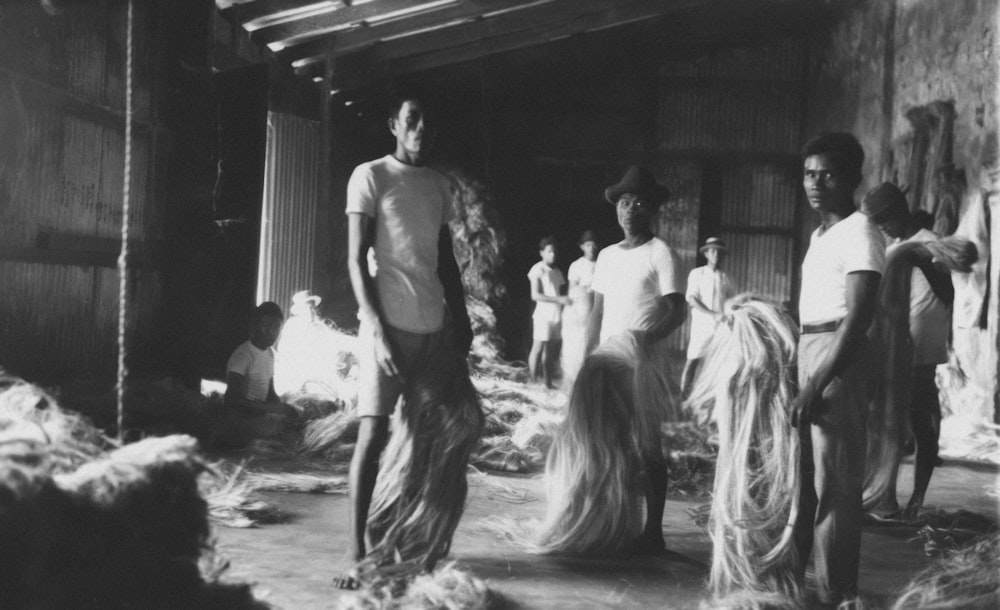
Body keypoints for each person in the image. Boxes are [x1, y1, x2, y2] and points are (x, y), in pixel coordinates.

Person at [336, 91, 472, 589]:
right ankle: (356, 552)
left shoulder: (439, 186)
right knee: (372, 439)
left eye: (427, 121)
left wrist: (460, 322)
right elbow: (355, 261)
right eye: (412, 119)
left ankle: (404, 543)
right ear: (393, 123)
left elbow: (447, 261)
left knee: (422, 443)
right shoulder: (370, 175)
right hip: (386, 328)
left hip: (433, 330)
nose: (420, 128)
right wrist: (375, 330)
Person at [539, 165, 684, 554]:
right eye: (623, 202)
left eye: (638, 202)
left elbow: (677, 310)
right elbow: (597, 314)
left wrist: (646, 338)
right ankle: (609, 524)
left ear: (650, 209)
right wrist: (585, 361)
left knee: (648, 446)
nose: (630, 209)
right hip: (606, 360)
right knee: (606, 443)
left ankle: (653, 532)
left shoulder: (661, 253)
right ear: (616, 209)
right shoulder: (605, 256)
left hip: (642, 363)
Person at [792, 133, 885, 608]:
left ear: (851, 178)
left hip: (839, 354)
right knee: (806, 476)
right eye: (810, 173)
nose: (816, 183)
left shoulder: (861, 232)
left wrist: (817, 382)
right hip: (812, 343)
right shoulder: (821, 234)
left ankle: (836, 593)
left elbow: (858, 317)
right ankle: (799, 579)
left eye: (827, 174)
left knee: (836, 482)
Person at [861, 182, 952, 520]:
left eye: (885, 222)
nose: (883, 230)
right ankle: (884, 497)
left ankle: (916, 500)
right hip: (893, 344)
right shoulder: (894, 246)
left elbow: (946, 294)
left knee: (920, 420)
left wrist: (922, 262)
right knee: (886, 422)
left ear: (899, 213)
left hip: (920, 346)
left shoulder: (930, 244)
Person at [221, 301, 296, 446]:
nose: (272, 332)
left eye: (276, 327)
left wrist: (283, 408)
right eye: (266, 326)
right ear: (255, 326)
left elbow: (270, 392)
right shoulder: (244, 355)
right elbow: (231, 400)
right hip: (240, 421)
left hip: (258, 417)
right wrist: (270, 409)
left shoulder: (270, 354)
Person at [681, 237, 737, 395]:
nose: (716, 254)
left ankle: (710, 400)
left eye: (719, 252)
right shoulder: (697, 274)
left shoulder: (727, 278)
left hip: (721, 327)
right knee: (692, 361)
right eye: (712, 251)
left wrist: (730, 315)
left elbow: (733, 302)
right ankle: (683, 399)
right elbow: (692, 299)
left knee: (720, 364)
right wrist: (713, 314)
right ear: (706, 254)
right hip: (701, 326)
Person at [527, 236, 569, 388]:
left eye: (554, 251)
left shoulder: (557, 272)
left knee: (550, 350)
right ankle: (532, 381)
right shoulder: (537, 269)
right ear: (542, 253)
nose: (553, 254)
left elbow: (562, 293)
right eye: (549, 252)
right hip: (542, 315)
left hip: (555, 315)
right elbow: (535, 295)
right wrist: (558, 299)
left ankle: (548, 382)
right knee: (538, 346)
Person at [561, 230, 599, 388]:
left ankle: (587, 383)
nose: (591, 248)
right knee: (576, 345)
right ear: (582, 247)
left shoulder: (601, 265)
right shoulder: (576, 266)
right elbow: (573, 292)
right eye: (588, 245)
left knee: (592, 345)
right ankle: (572, 380)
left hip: (595, 309)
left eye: (593, 244)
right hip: (580, 311)